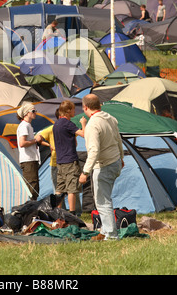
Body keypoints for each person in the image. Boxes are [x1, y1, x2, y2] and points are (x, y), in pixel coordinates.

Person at [79, 94, 124, 241]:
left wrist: (85, 171)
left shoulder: (93, 124)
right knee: (106, 198)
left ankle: (111, 235)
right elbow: (118, 139)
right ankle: (105, 230)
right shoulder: (110, 118)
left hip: (104, 165)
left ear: (85, 107)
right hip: (115, 161)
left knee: (102, 201)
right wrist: (121, 158)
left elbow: (94, 150)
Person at [53, 100, 85, 214]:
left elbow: (71, 142)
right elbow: (83, 134)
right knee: (72, 188)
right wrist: (83, 124)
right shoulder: (68, 123)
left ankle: (57, 213)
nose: (74, 112)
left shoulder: (56, 124)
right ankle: (72, 214)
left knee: (59, 188)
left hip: (60, 160)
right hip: (70, 160)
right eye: (73, 109)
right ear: (68, 111)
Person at [16, 102, 42, 200]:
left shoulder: (28, 126)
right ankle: (31, 210)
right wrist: (35, 140)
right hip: (28, 160)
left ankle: (33, 209)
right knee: (32, 187)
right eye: (33, 111)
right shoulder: (24, 126)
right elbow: (22, 143)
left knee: (34, 185)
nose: (36, 112)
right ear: (27, 113)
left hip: (31, 159)